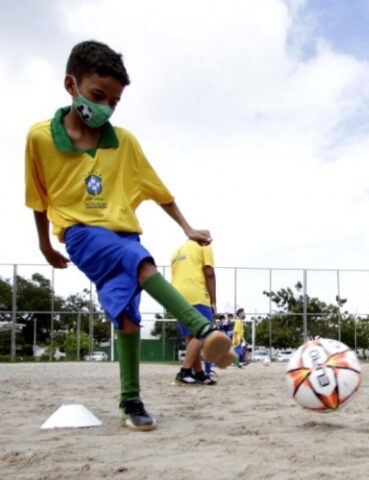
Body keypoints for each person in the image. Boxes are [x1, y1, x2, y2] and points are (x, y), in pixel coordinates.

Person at [24, 41, 236, 431]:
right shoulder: (40, 138)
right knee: (139, 262)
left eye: (115, 101)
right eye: (97, 96)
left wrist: (186, 227)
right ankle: (204, 329)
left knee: (128, 318)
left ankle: (130, 401)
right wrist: (44, 244)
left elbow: (158, 190)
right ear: (71, 84)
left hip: (124, 235)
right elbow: (38, 199)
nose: (105, 106)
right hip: (81, 234)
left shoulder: (123, 142)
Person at [171, 239, 219, 385]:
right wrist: (213, 301)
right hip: (196, 293)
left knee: (191, 335)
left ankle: (199, 373)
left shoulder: (177, 251)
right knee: (204, 331)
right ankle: (184, 371)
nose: (210, 237)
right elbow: (209, 273)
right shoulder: (204, 245)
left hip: (176, 295)